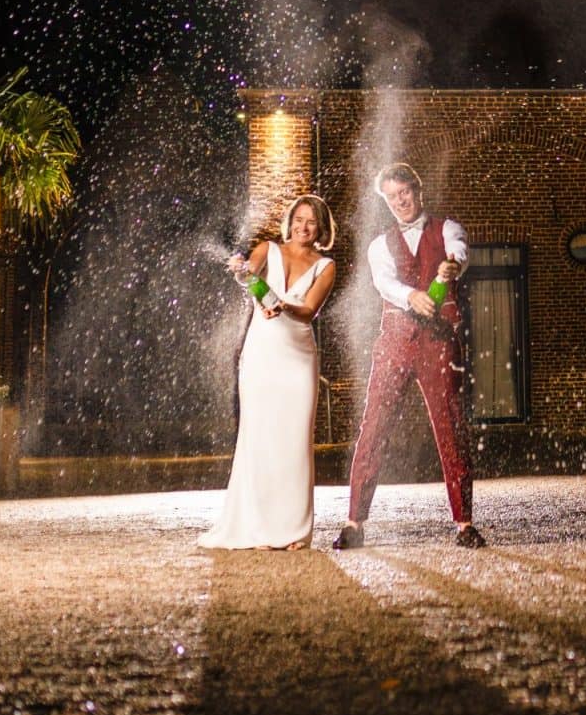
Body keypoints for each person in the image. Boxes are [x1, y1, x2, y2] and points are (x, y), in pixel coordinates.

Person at [335, 162, 483, 549]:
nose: (400, 201)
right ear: (386, 201)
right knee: (374, 428)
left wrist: (452, 266)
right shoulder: (380, 245)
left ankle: (464, 523)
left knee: (451, 426)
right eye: (392, 196)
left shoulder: (447, 228)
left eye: (405, 193)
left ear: (418, 191)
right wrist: (411, 296)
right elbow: (384, 283)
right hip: (395, 341)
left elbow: (460, 253)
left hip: (438, 341)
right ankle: (354, 523)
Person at [200, 194, 338, 551]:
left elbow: (308, 311)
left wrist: (281, 303)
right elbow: (247, 275)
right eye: (298, 219)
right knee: (260, 436)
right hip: (262, 353)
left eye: (311, 222)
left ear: (321, 228)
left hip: (298, 358)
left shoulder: (326, 266)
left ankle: (294, 531)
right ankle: (260, 528)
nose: (303, 227)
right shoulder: (268, 249)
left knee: (294, 441)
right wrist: (240, 269)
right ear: (289, 221)